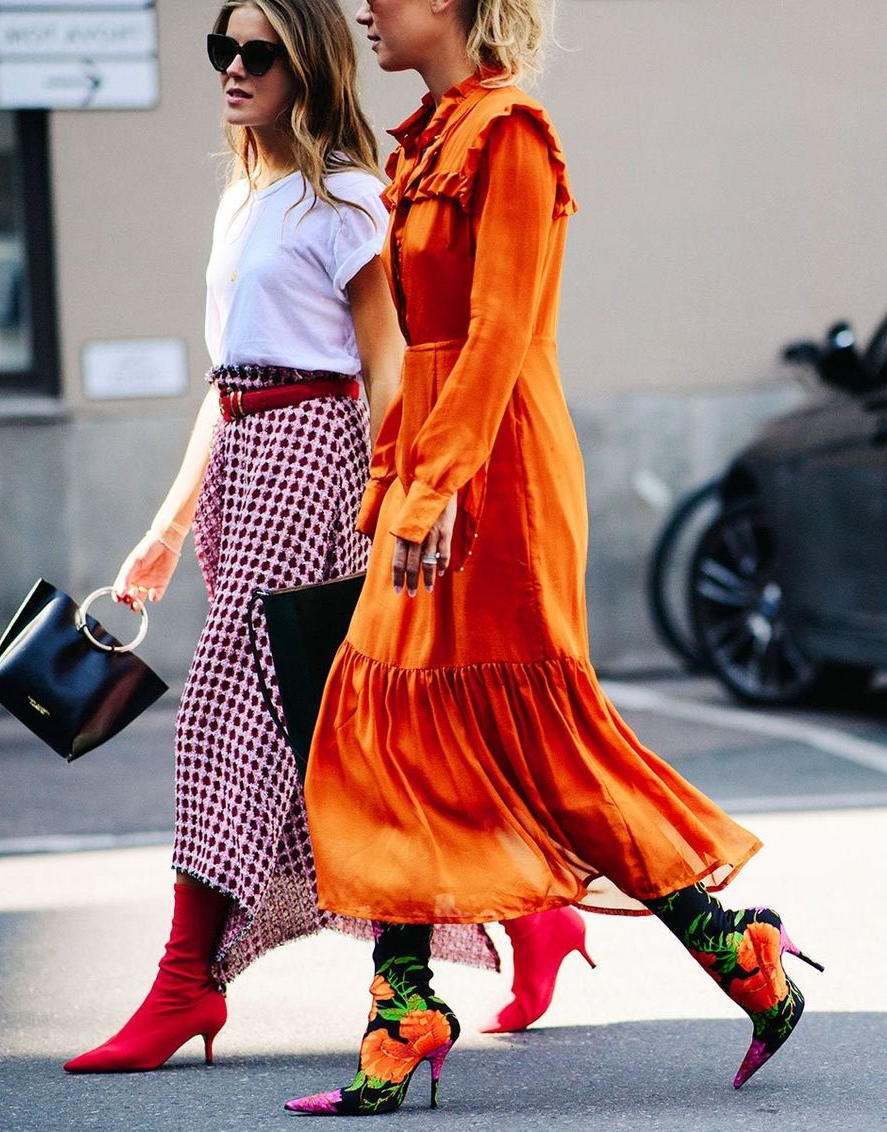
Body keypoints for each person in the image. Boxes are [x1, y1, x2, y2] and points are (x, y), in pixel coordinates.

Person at [285, 0, 824, 1115]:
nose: (362, 8)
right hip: (438, 459)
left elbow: (496, 330)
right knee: (384, 727)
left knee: (545, 748)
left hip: (502, 475)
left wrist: (437, 485)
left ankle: (735, 950)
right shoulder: (427, 139)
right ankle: (403, 1007)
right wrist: (393, 479)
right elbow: (416, 347)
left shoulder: (509, 134)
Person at [63, 0, 582, 1076]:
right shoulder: (242, 196)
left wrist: (406, 495)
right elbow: (227, 379)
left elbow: (387, 362)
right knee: (329, 730)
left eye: (256, 52)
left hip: (313, 463)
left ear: (305, 66)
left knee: (223, 713)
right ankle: (531, 912)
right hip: (243, 466)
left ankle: (185, 982)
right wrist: (165, 527)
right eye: (222, 48)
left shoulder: (345, 195)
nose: (233, 68)